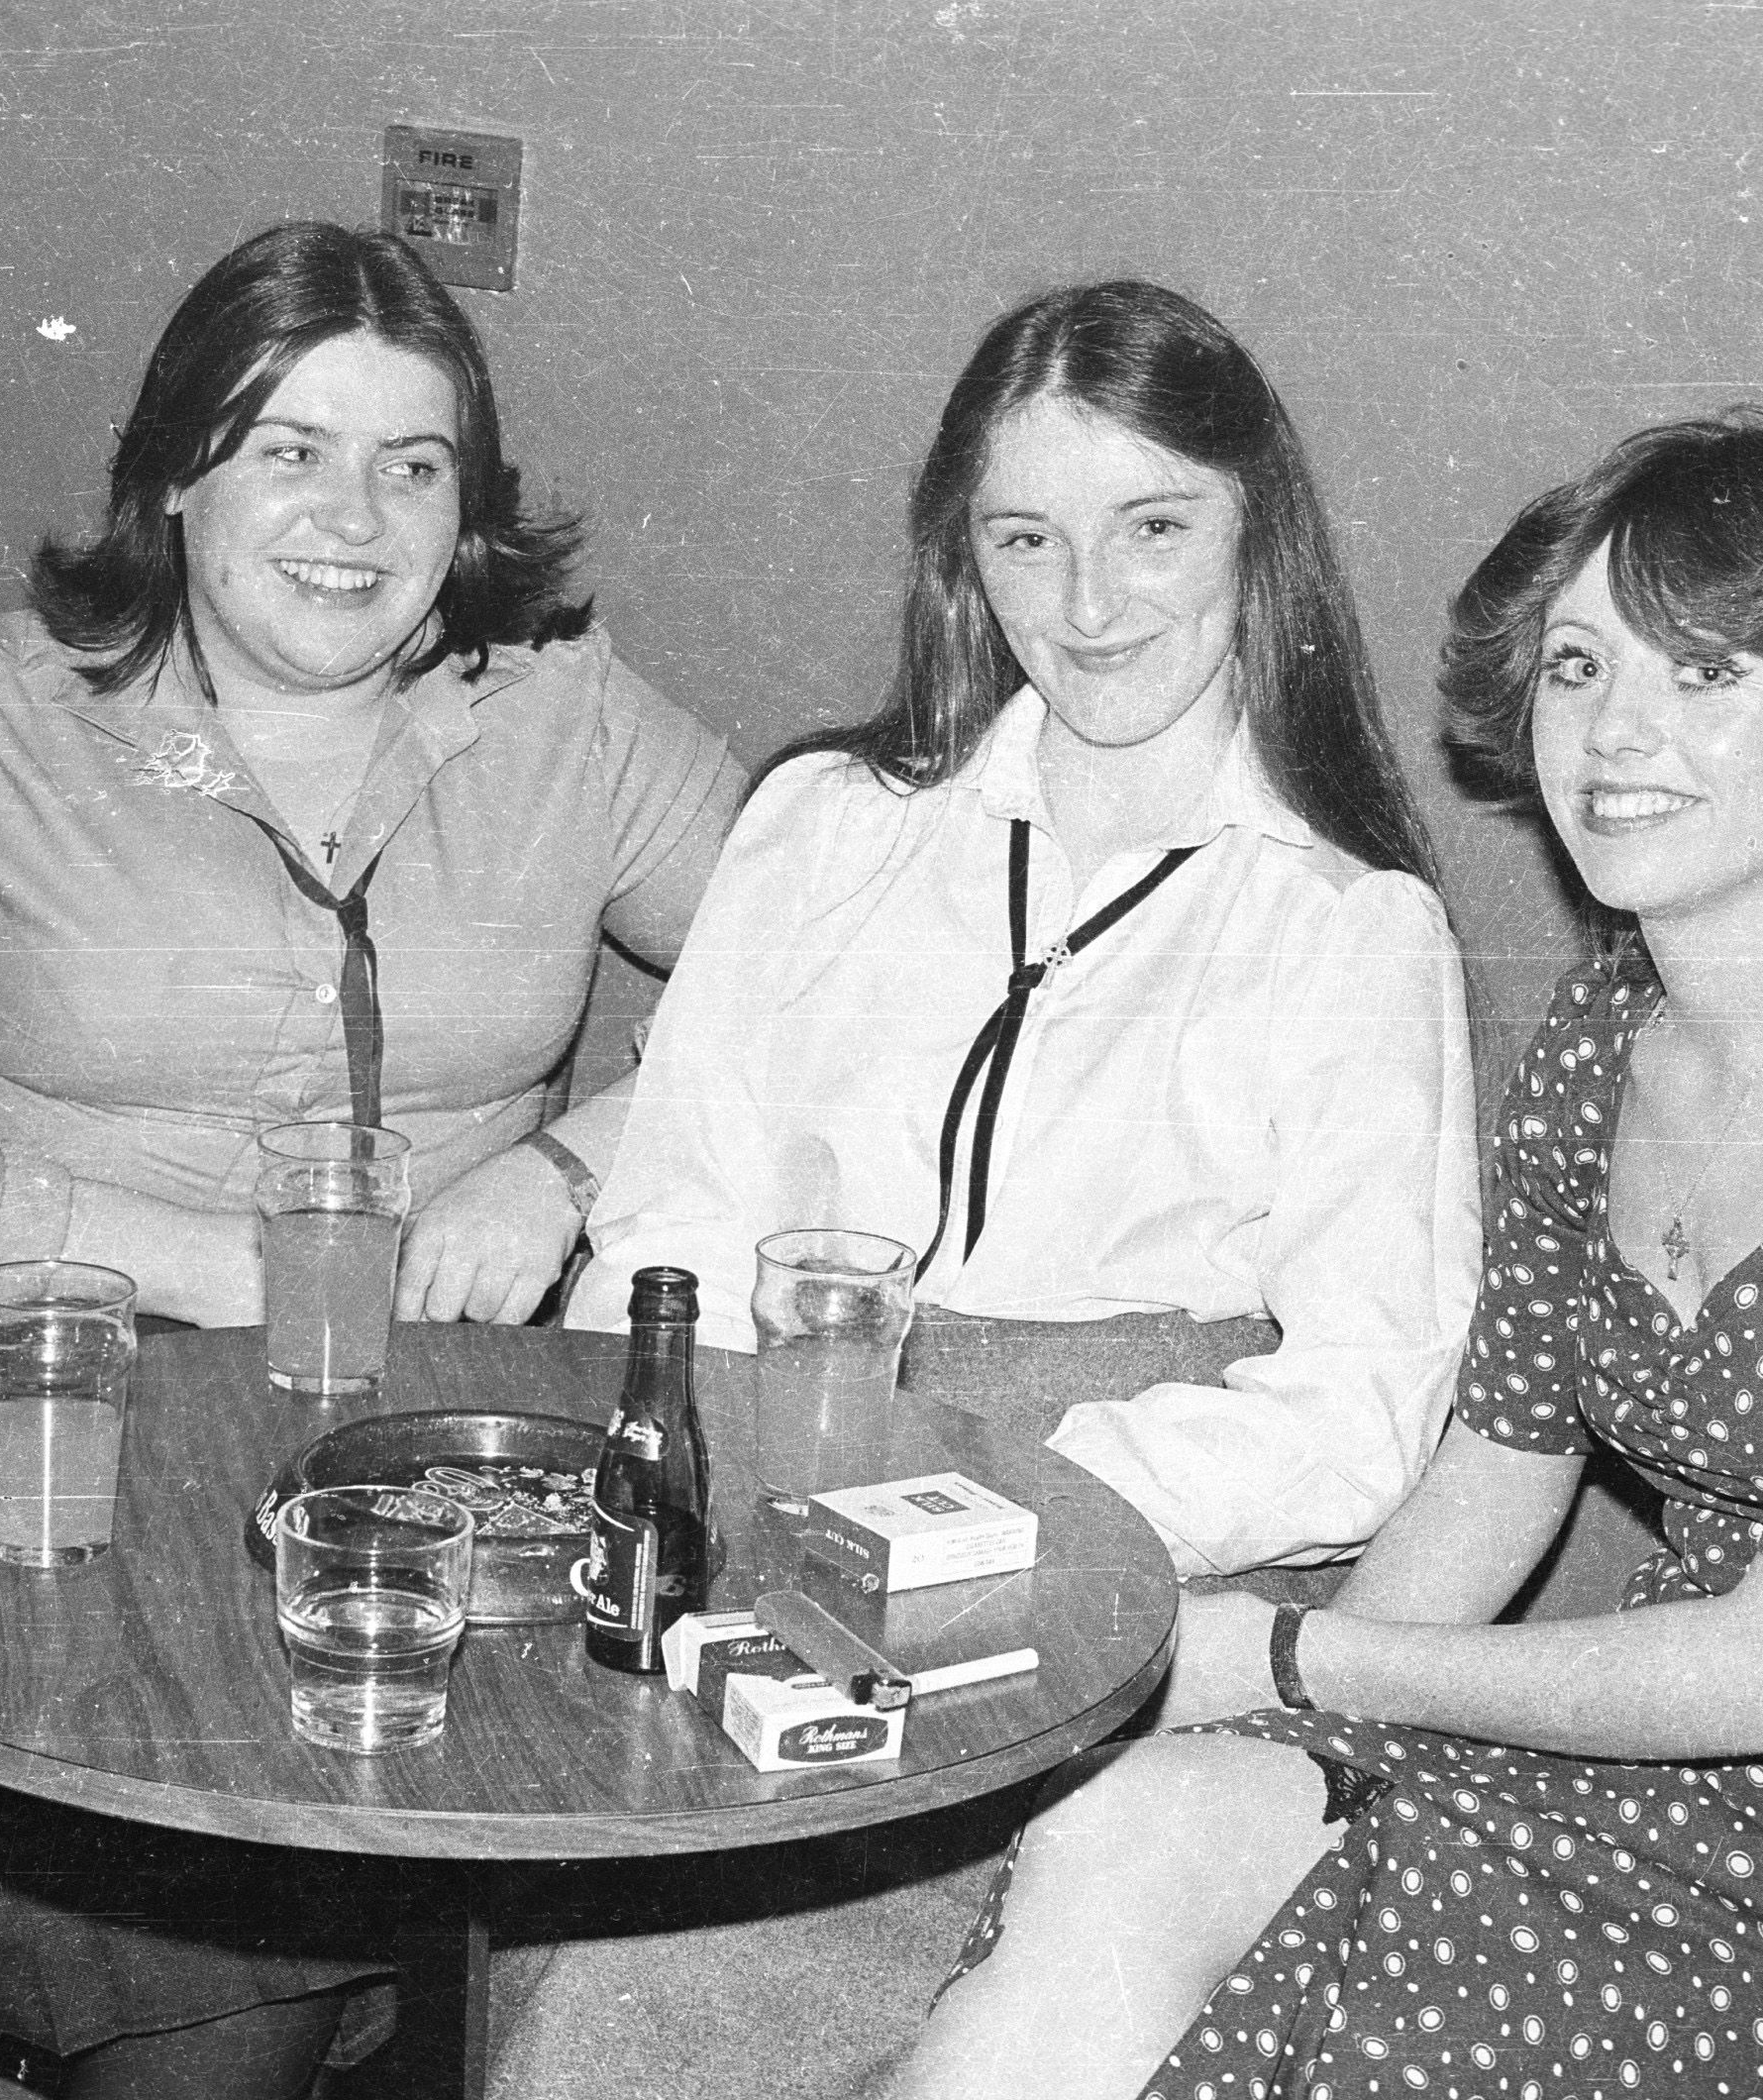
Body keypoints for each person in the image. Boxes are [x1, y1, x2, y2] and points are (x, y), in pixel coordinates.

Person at [884, 409, 1763, 2100]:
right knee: (1133, 1823)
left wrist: (1292, 1656)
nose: (1614, 733)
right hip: (1669, 1774)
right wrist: (1295, 1733)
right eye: (1578, 668)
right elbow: (1500, 1469)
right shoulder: (1605, 1032)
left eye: (1705, 674)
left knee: (1335, 1978)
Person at [0, 220, 742, 1373]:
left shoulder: (570, 719)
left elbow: (834, 990)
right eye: (290, 452)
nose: (354, 519)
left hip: (415, 1387)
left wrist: (561, 1173)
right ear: (171, 476)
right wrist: (227, 1268)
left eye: (411, 466)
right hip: (22, 1375)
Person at [569, 280, 1478, 1580]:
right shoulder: (821, 829)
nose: (1091, 606)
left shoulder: (1348, 925)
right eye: (1028, 541)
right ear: (965, 561)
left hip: (1128, 1557)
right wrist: (696, 1466)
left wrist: (974, 1508)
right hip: (771, 1489)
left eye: (1153, 527)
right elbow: (671, 1232)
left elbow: (1363, 1409)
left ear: (1256, 535)